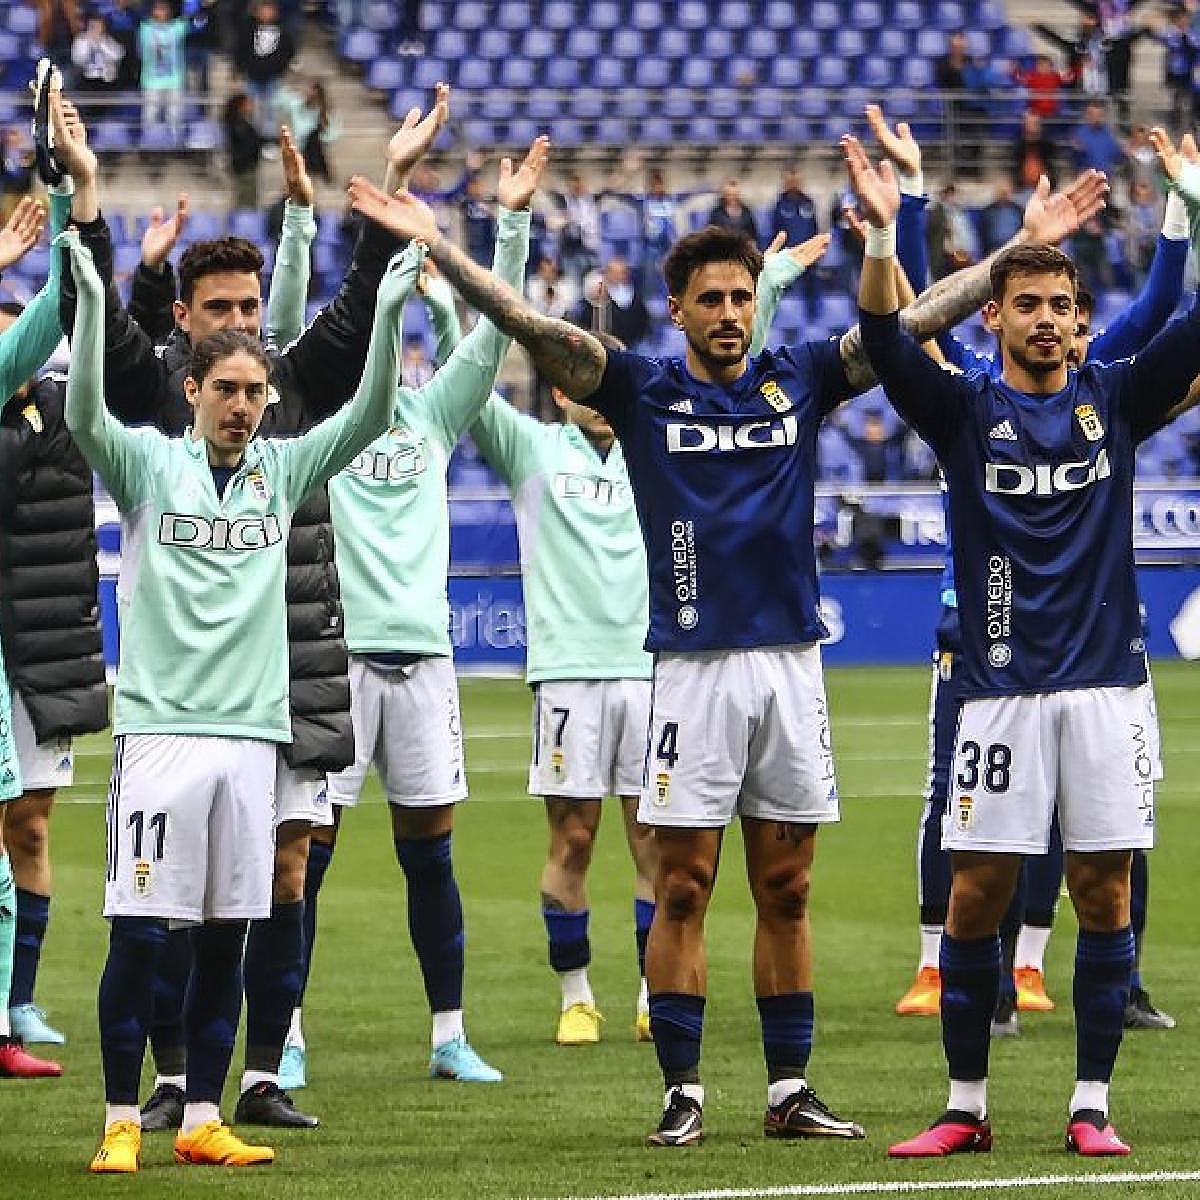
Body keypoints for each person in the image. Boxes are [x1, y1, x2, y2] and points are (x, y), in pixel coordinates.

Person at [338, 135, 1106, 1149]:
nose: (731, 315)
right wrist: (453, 249)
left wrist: (1016, 252)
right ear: (679, 311)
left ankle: (789, 1089)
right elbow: (527, 326)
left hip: (790, 667)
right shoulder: (639, 390)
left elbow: (914, 321)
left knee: (788, 888)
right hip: (690, 676)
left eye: (743, 297)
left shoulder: (802, 379)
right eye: (711, 300)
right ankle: (685, 1090)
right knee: (685, 885)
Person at [57, 84, 451, 1129]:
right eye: (220, 314)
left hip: (300, 668)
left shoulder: (289, 400)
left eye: (249, 311)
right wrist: (89, 219)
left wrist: (393, 197)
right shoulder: (153, 402)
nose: (244, 334)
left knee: (280, 881)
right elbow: (93, 354)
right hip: (184, 700)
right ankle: (166, 1088)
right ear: (184, 330)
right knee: (170, 907)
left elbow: (363, 321)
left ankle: (258, 1077)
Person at [848, 124, 1200, 1159]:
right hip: (998, 692)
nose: (1048, 322)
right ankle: (966, 1104)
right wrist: (882, 242)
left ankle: (1091, 1103)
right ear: (994, 312)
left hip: (1105, 689)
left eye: (1064, 308)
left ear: (1081, 323)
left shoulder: (1118, 398)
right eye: (1029, 305)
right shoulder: (963, 413)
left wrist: (1190, 203)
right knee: (973, 897)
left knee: (1104, 890)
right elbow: (881, 342)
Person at [466, 241, 802, 1046]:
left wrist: (776, 286)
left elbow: (748, 379)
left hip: (655, 669)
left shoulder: (657, 439)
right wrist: (464, 292)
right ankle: (576, 994)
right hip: (569, 674)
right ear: (564, 388)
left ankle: (657, 993)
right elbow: (472, 385)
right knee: (572, 838)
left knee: (656, 840)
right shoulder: (530, 451)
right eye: (589, 380)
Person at [292, 138, 545, 1090]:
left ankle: (449, 1036)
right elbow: (287, 325)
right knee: (304, 861)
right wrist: (366, 218)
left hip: (424, 662)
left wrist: (509, 227)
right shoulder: (319, 425)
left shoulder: (433, 417)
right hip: (337, 658)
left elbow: (491, 340)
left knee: (430, 860)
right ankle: (288, 1034)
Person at [0, 183, 85, 1076]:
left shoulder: (65, 411)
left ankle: (13, 1008)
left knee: (26, 831)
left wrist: (67, 200)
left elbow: (73, 309)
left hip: (41, 651)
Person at [571, 257, 651, 349]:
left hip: (631, 345)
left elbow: (643, 321)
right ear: (608, 273)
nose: (619, 276)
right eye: (616, 272)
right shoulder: (596, 294)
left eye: (623, 272)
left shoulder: (635, 298)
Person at [138, 0, 188, 143]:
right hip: (151, 81)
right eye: (158, 9)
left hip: (174, 80)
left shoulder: (178, 27)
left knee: (175, 116)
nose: (161, 12)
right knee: (150, 116)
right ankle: (149, 144)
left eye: (164, 9)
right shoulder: (145, 28)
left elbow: (194, 16)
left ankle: (175, 144)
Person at [223, 92, 262, 211]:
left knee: (250, 200)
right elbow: (248, 144)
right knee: (244, 201)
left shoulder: (244, 124)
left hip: (248, 167)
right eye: (248, 104)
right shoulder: (237, 125)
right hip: (243, 168)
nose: (251, 107)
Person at [707, 177, 759, 243]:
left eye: (734, 195)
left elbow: (753, 235)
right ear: (724, 195)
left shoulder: (747, 211)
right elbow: (711, 235)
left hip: (743, 247)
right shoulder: (716, 213)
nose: (732, 198)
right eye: (729, 195)